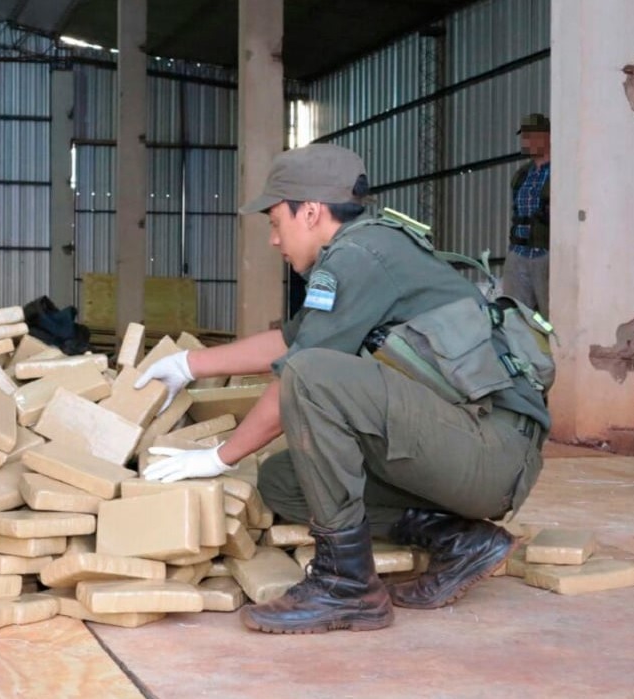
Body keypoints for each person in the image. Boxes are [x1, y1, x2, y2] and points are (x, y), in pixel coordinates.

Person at [135, 144, 549, 635]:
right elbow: (291, 340)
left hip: (490, 453)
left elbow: (300, 368)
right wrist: (187, 364)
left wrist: (219, 457)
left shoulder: (356, 257)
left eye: (276, 222)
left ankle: (346, 587)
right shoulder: (366, 248)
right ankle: (461, 540)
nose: (273, 239)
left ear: (310, 212)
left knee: (311, 376)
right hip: (469, 445)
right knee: (284, 480)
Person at [503, 112, 551, 319]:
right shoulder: (522, 174)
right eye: (525, 136)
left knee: (553, 317)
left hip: (546, 255)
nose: (527, 141)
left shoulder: (561, 171)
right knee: (513, 316)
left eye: (532, 135)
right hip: (518, 253)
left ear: (548, 136)